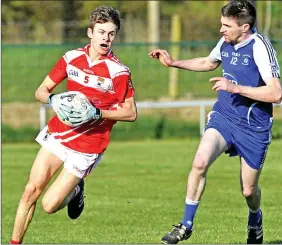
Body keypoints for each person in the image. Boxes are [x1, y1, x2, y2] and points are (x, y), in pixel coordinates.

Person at [149, 0, 281, 244]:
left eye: (226, 26)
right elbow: (208, 63)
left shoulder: (260, 47)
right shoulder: (226, 42)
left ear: (245, 27)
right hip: (224, 117)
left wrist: (235, 87)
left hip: (254, 127)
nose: (221, 30)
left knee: (248, 190)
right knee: (199, 162)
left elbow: (276, 93)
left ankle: (255, 217)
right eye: (221, 24)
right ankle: (186, 225)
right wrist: (173, 63)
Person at [10, 6, 137, 244]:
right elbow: (41, 91)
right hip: (59, 133)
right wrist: (54, 100)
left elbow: (130, 113)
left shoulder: (118, 72)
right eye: (101, 32)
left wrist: (97, 112)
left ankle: (76, 190)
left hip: (88, 146)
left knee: (48, 205)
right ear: (90, 33)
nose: (106, 38)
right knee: (30, 191)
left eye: (111, 34)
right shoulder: (71, 58)